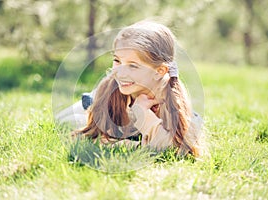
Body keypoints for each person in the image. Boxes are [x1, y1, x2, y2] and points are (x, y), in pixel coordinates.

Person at [68, 21, 204, 157]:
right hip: (96, 100)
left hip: (134, 118)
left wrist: (142, 112)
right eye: (117, 61)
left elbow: (174, 149)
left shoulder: (171, 101)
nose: (120, 72)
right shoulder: (110, 89)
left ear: (160, 71)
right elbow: (96, 138)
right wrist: (137, 145)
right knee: (70, 117)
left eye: (132, 66)